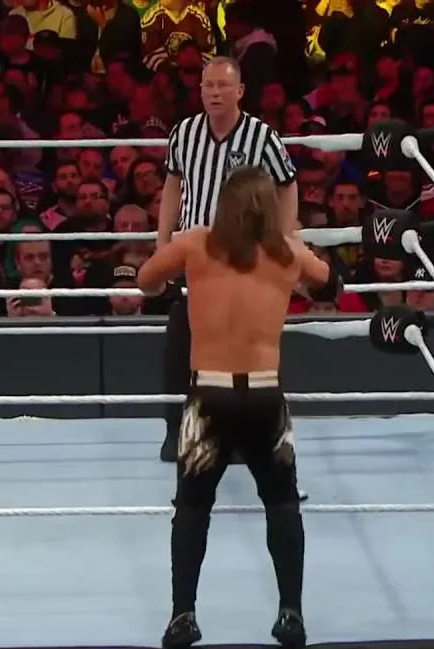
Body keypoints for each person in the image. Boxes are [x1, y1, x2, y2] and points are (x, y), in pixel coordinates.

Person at [137, 166, 340, 649]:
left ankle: (183, 616)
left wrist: (180, 275)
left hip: (209, 398)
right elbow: (331, 286)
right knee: (282, 504)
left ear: (222, 203)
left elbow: (145, 281)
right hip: (264, 398)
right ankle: (291, 613)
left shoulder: (195, 243)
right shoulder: (287, 252)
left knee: (192, 508)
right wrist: (294, 272)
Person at [155, 56, 299, 466]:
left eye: (222, 86)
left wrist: (284, 239)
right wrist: (162, 240)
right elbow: (172, 184)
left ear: (240, 91)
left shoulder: (261, 136)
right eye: (208, 86)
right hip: (195, 258)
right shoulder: (184, 133)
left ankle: (253, 438)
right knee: (181, 345)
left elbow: (288, 185)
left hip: (245, 257)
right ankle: (177, 432)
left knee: (248, 348)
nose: (214, 93)